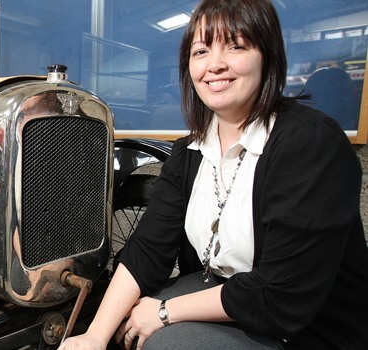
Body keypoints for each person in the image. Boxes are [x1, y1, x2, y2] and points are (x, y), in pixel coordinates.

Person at [59, 0, 368, 349]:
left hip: (300, 325)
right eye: (201, 50)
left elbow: (283, 294)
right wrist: (94, 336)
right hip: (225, 291)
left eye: (236, 46)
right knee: (121, 325)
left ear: (267, 56)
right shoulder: (190, 150)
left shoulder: (311, 144)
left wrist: (164, 311)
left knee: (168, 341)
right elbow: (147, 249)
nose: (215, 65)